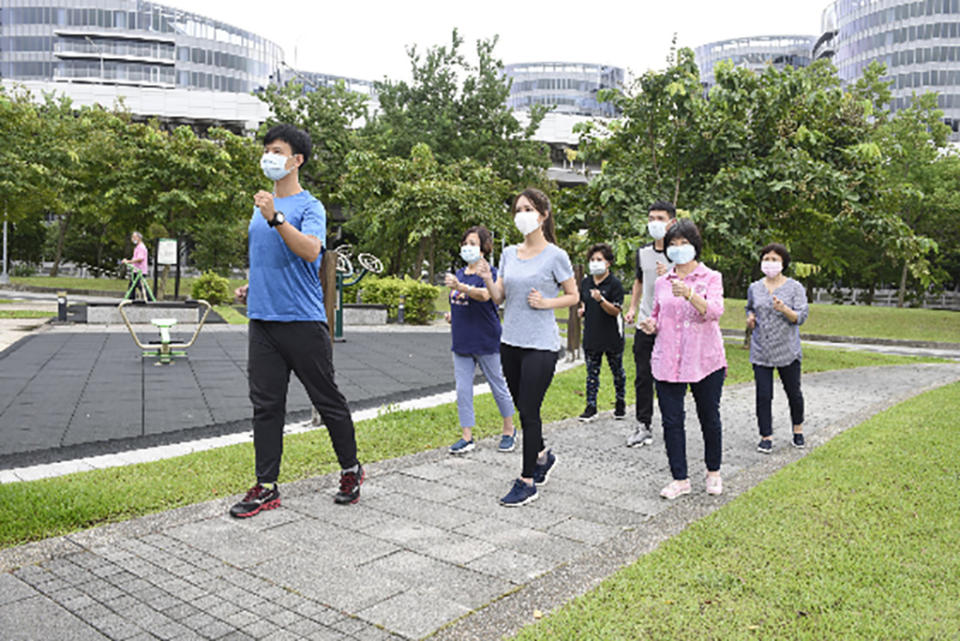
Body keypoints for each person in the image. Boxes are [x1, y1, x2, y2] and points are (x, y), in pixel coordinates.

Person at [229, 124, 363, 518]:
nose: (268, 156)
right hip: (263, 322)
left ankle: (351, 471)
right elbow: (271, 260)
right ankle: (266, 487)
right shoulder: (260, 209)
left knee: (327, 400)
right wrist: (253, 287)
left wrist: (275, 217)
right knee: (266, 406)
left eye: (276, 150)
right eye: (266, 149)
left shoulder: (310, 207)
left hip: (303, 322)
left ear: (296, 159)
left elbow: (310, 252)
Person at [477, 188, 578, 507]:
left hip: (541, 345)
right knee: (524, 408)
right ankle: (543, 456)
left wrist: (548, 302)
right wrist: (486, 278)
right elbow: (499, 297)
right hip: (510, 343)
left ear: (543, 215)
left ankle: (527, 480)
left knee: (530, 411)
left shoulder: (556, 256)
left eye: (528, 208)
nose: (521, 214)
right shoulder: (508, 253)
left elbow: (574, 296)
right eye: (518, 209)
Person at [638, 219, 727, 499]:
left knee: (709, 417)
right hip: (668, 360)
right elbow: (657, 314)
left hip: (704, 361)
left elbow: (714, 311)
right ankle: (680, 479)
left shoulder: (711, 277)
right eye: (673, 244)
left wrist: (690, 294)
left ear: (695, 246)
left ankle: (713, 472)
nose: (678, 249)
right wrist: (650, 324)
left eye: (684, 243)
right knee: (671, 421)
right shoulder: (663, 281)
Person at [444, 225, 517, 454]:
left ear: (484, 248)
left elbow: (485, 296)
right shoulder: (458, 274)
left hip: (486, 340)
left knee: (498, 385)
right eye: (465, 244)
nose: (468, 248)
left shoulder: (491, 273)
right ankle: (467, 437)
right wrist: (451, 315)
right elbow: (459, 300)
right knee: (463, 390)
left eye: (473, 244)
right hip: (462, 341)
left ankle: (509, 430)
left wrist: (461, 288)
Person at [746, 243, 809, 453]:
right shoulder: (755, 287)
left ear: (783, 263)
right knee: (763, 395)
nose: (769, 263)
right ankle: (766, 436)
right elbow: (750, 308)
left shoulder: (795, 288)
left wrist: (784, 309)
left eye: (774, 259)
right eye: (766, 259)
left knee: (793, 393)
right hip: (761, 349)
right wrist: (750, 318)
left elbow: (800, 317)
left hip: (787, 350)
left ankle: (798, 430)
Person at [624, 202, 676, 447]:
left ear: (672, 222)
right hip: (645, 323)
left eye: (660, 218)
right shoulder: (643, 252)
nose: (655, 222)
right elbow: (639, 282)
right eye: (651, 217)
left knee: (669, 377)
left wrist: (670, 274)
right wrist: (633, 308)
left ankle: (672, 424)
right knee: (643, 376)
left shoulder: (681, 253)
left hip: (671, 326)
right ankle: (643, 425)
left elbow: (689, 287)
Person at [577, 242, 626, 422]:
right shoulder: (586, 282)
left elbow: (616, 310)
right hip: (591, 335)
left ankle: (620, 402)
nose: (595, 262)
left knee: (617, 371)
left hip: (612, 336)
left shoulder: (614, 284)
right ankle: (591, 406)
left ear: (608, 263)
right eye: (592, 259)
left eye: (599, 259)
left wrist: (600, 300)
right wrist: (582, 310)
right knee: (591, 373)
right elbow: (583, 301)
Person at [121, 231, 149, 300]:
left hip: (140, 271)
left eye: (134, 237)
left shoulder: (141, 247)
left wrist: (129, 261)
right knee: (132, 285)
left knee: (140, 285)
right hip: (136, 270)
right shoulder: (137, 247)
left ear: (139, 238)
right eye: (132, 237)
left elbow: (140, 258)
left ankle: (149, 299)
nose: (132, 239)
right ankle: (131, 299)